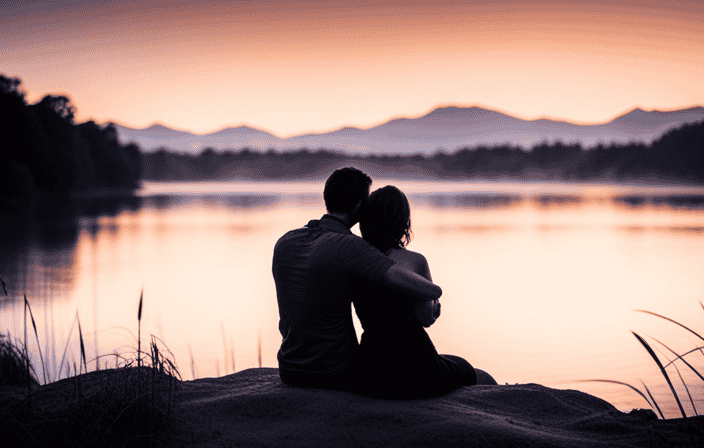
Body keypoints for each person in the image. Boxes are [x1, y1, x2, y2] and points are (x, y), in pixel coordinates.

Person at [272, 167, 442, 391]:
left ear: (328, 198)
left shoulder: (286, 241)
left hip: (289, 370)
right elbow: (415, 285)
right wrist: (435, 293)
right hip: (334, 372)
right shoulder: (350, 247)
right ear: (360, 206)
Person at [353, 185, 497, 399]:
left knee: (449, 361)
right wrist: (434, 308)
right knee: (474, 372)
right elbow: (425, 319)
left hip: (372, 367)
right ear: (402, 220)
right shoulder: (415, 261)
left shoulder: (354, 260)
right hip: (419, 368)